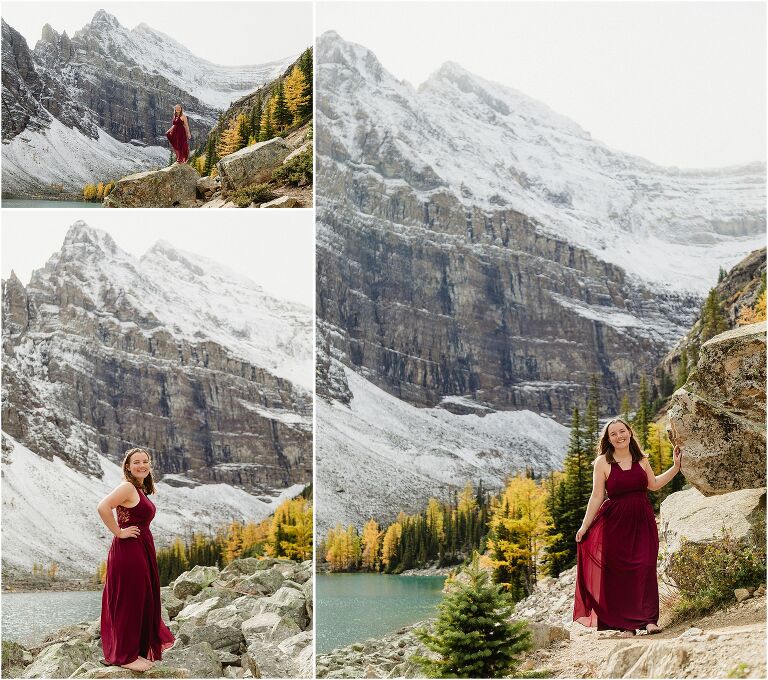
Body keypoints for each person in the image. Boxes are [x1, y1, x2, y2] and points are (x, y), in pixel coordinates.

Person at [573, 418, 682, 637]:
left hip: (642, 520)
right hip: (614, 525)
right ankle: (627, 625)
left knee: (645, 567)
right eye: (613, 434)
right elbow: (596, 496)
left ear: (630, 433)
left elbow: (654, 485)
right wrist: (584, 526)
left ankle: (649, 620)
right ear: (608, 439)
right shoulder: (602, 462)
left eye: (622, 431)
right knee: (621, 574)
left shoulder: (641, 460)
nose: (619, 436)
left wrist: (676, 467)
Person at [98, 448, 175, 671]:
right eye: (136, 462)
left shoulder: (139, 489)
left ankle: (136, 650)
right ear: (128, 467)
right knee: (130, 600)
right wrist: (119, 532)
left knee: (142, 598)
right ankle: (125, 656)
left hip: (140, 549)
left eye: (145, 461)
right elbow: (103, 507)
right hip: (128, 550)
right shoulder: (127, 487)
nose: (142, 465)